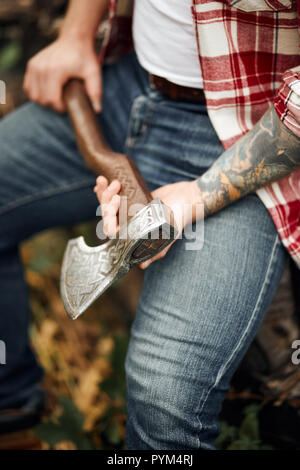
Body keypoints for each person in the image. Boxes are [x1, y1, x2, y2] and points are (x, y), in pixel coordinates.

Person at [0, 0, 299, 449]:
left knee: (166, 397)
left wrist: (199, 195)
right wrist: (77, 34)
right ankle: (16, 412)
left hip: (243, 133)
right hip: (124, 83)